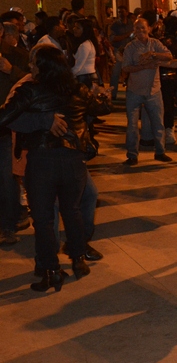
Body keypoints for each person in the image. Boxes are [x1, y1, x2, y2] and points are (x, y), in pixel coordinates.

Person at [0, 46, 106, 291]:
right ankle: (78, 260)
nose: (30, 67)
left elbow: (4, 117)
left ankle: (50, 271)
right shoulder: (78, 90)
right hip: (73, 160)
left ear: (45, 66)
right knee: (73, 210)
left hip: (43, 161)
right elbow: (100, 109)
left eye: (35, 62)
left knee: (44, 218)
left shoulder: (30, 91)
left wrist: (39, 120)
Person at [121, 18, 173, 165]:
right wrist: (144, 66)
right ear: (134, 30)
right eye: (137, 29)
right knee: (132, 125)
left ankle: (160, 152)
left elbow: (169, 56)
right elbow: (125, 68)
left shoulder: (155, 44)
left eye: (143, 28)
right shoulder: (130, 47)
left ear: (149, 29)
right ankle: (132, 155)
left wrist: (153, 54)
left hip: (154, 91)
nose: (141, 31)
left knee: (158, 123)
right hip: (134, 91)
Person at [0, 23, 31, 245]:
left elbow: (32, 82)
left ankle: (8, 225)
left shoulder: (16, 54)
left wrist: (11, 70)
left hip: (5, 127)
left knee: (7, 177)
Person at [107, 7, 132, 100]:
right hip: (119, 50)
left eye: (122, 12)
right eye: (119, 12)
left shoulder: (131, 23)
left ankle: (131, 93)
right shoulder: (115, 25)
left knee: (131, 73)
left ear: (127, 12)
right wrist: (127, 35)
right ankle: (113, 94)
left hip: (129, 51)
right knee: (115, 73)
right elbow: (112, 39)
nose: (120, 14)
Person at [70, 18, 98, 87]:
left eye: (78, 28)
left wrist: (68, 75)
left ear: (85, 30)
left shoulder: (85, 45)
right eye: (74, 26)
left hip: (85, 76)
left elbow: (78, 66)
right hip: (86, 75)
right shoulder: (85, 43)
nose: (74, 29)